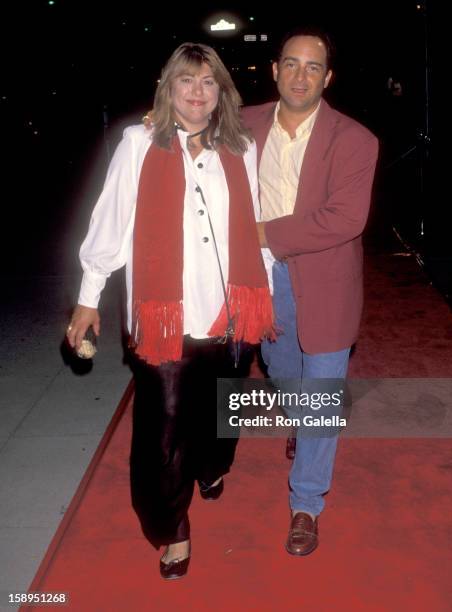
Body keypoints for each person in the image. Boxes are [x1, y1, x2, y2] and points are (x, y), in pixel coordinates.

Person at [67, 42, 273, 579]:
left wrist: (266, 292)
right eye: (187, 81)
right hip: (167, 321)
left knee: (223, 410)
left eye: (208, 82)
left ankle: (212, 465)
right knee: (164, 434)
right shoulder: (137, 143)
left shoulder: (242, 146)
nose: (197, 92)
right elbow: (108, 224)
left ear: (221, 91)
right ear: (168, 87)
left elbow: (256, 227)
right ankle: (172, 528)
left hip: (230, 312)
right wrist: (89, 298)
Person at [242, 26, 378, 556]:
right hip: (261, 279)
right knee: (280, 369)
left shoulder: (354, 140)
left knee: (320, 392)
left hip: (325, 281)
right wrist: (153, 125)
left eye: (313, 67)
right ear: (274, 70)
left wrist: (262, 232)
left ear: (328, 78)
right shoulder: (244, 123)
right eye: (291, 64)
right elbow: (189, 137)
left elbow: (344, 218)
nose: (301, 76)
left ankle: (306, 504)